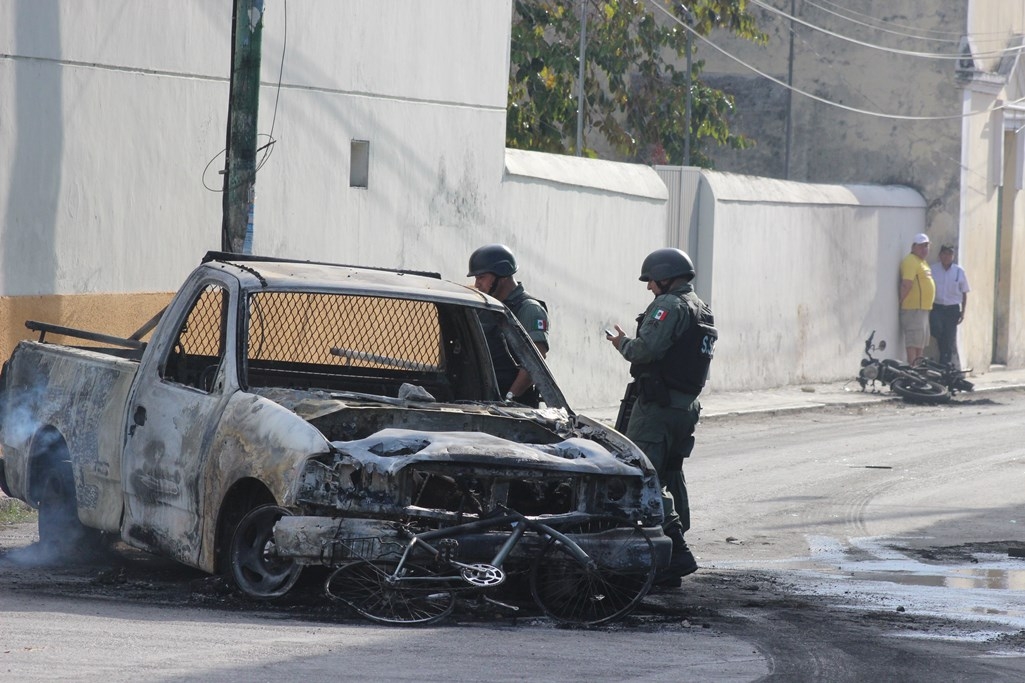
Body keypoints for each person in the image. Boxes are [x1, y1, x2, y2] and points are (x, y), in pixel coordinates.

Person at [606, 248, 717, 587]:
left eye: (651, 281)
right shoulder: (702, 309)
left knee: (644, 474)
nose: (649, 287)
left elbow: (646, 350)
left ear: (666, 277)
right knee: (671, 472)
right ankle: (670, 549)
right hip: (685, 407)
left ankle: (677, 552)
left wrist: (622, 342)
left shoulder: (670, 306)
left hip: (658, 406)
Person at [467, 244, 549, 405]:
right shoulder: (486, 306)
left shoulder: (529, 309)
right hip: (482, 400)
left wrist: (510, 398)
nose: (477, 284)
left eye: (481, 277)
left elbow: (535, 363)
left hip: (513, 408)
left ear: (501, 275)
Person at [930, 244, 970, 367]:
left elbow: (964, 292)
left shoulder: (959, 271)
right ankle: (944, 357)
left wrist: (963, 312)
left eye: (950, 254)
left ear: (953, 256)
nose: (947, 257)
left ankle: (945, 363)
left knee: (949, 337)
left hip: (952, 309)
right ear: (940, 255)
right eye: (944, 254)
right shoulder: (933, 269)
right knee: (936, 330)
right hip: (937, 307)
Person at [899, 233, 935, 365]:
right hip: (913, 308)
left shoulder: (922, 262)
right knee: (913, 341)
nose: (925, 249)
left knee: (920, 342)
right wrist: (901, 300)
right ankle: (913, 369)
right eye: (921, 246)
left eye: (927, 246)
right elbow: (906, 283)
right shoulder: (910, 260)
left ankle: (918, 370)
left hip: (923, 309)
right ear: (913, 247)